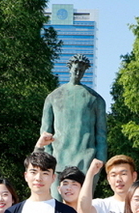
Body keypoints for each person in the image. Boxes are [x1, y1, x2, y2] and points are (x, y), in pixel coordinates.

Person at [41, 54, 107, 199]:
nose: (78, 73)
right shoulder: (54, 97)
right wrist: (47, 160)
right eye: (76, 69)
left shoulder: (95, 99)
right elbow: (45, 133)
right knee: (57, 209)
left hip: (86, 162)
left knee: (83, 209)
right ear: (70, 68)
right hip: (58, 161)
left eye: (82, 71)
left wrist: (101, 161)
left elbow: (101, 135)